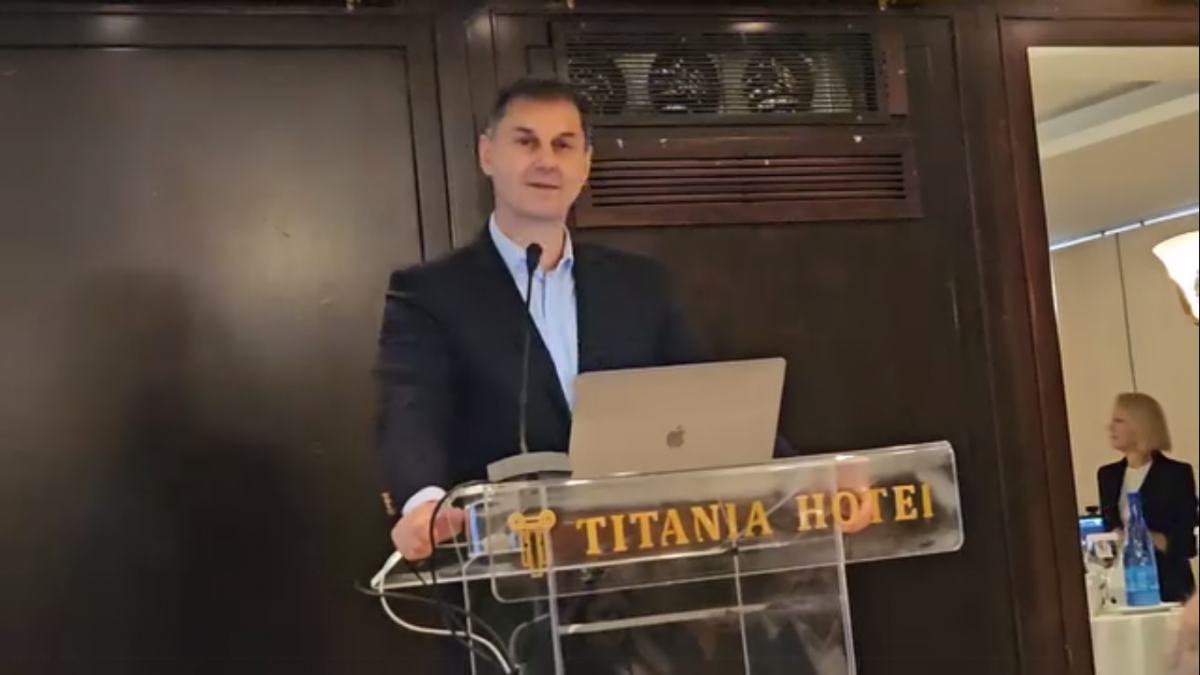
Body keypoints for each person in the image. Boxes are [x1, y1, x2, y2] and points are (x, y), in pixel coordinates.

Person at [376, 78, 806, 673]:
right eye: (526, 141)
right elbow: (410, 405)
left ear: (585, 164)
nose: (546, 160)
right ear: (488, 154)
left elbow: (706, 403)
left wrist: (800, 480)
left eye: (564, 144)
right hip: (507, 607)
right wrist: (423, 502)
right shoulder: (430, 293)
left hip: (639, 605)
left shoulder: (639, 284)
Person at [1097, 392, 1198, 603]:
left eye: (1119, 421)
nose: (1110, 427)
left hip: (1168, 585)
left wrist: (1140, 537)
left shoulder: (1176, 474)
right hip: (1121, 586)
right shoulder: (1108, 475)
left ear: (1140, 425)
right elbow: (1109, 527)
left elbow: (1185, 544)